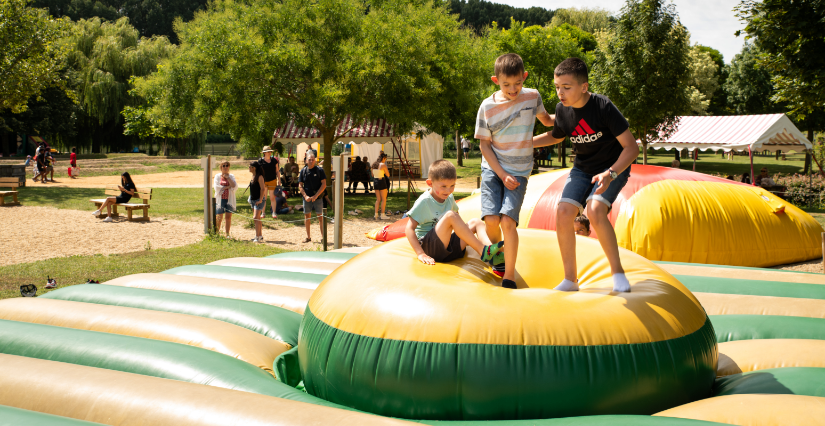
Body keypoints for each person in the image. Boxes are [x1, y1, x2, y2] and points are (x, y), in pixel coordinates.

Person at [532, 57, 637, 293]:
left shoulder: (603, 107)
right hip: (583, 168)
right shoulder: (563, 109)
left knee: (596, 209)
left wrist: (611, 173)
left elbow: (632, 148)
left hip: (614, 165)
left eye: (566, 87)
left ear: (584, 87)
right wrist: (527, 143)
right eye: (557, 87)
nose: (560, 93)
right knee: (563, 212)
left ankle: (618, 274)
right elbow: (557, 135)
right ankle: (570, 280)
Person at [475, 53, 554, 289]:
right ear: (495, 80)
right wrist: (501, 174)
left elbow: (548, 121)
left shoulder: (532, 97)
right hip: (493, 168)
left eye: (518, 83)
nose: (513, 89)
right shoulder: (487, 107)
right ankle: (498, 254)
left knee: (508, 221)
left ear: (525, 77)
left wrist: (572, 115)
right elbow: (484, 145)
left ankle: (508, 275)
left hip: (519, 170)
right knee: (491, 220)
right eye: (506, 84)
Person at [405, 160, 505, 266]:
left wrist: (467, 238)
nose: (448, 190)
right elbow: (409, 229)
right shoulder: (425, 201)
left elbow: (458, 222)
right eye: (443, 186)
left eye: (452, 185)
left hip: (447, 247)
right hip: (430, 248)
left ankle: (493, 254)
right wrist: (420, 253)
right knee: (451, 215)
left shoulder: (449, 198)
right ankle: (482, 250)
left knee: (476, 222)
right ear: (430, 183)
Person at [298, 150, 327, 243]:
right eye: (309, 159)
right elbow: (300, 185)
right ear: (306, 160)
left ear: (315, 160)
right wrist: (305, 196)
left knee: (320, 217)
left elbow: (324, 184)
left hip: (318, 198)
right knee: (307, 217)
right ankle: (308, 237)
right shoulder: (303, 171)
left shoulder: (320, 170)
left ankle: (323, 238)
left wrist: (316, 195)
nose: (311, 161)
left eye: (313, 159)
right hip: (306, 198)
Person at [213, 161, 237, 236]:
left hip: (229, 199)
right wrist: (227, 187)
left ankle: (227, 234)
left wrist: (228, 178)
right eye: (224, 165)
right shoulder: (217, 176)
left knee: (228, 217)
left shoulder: (231, 176)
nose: (225, 167)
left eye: (227, 165)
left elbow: (234, 186)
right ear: (221, 167)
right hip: (220, 200)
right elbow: (216, 187)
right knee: (219, 217)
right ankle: (216, 233)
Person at [259, 146, 280, 219]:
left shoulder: (274, 160)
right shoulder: (260, 161)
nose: (270, 153)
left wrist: (279, 180)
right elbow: (258, 172)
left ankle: (274, 212)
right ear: (264, 153)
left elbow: (277, 171)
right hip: (263, 182)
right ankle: (263, 213)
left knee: (272, 197)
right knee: (263, 197)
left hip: (272, 180)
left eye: (270, 151)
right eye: (268, 151)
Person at [247, 161, 266, 243]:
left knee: (255, 217)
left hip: (259, 200)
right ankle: (260, 235)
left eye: (249, 166)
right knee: (257, 218)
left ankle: (257, 237)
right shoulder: (253, 176)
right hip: (253, 199)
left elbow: (263, 188)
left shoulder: (260, 176)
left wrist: (261, 199)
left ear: (254, 168)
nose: (248, 168)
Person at [372, 152, 391, 219]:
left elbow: (372, 175)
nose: (385, 160)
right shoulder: (382, 165)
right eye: (385, 159)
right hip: (382, 182)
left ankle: (376, 214)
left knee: (378, 199)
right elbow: (388, 174)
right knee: (383, 199)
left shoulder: (373, 165)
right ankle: (382, 215)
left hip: (375, 182)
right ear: (383, 158)